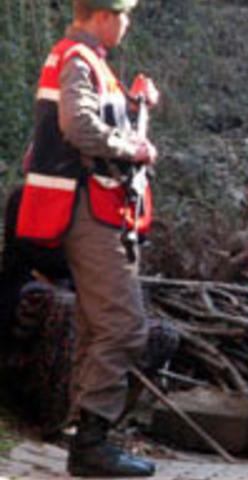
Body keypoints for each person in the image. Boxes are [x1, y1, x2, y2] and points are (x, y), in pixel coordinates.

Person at [14, 0, 159, 476]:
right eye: (125, 14)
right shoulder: (79, 58)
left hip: (87, 207)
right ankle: (91, 445)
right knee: (124, 324)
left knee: (100, 325)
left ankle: (85, 437)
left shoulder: (85, 59)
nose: (128, 23)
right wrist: (133, 146)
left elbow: (90, 120)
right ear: (103, 15)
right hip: (85, 208)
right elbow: (79, 127)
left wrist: (137, 107)